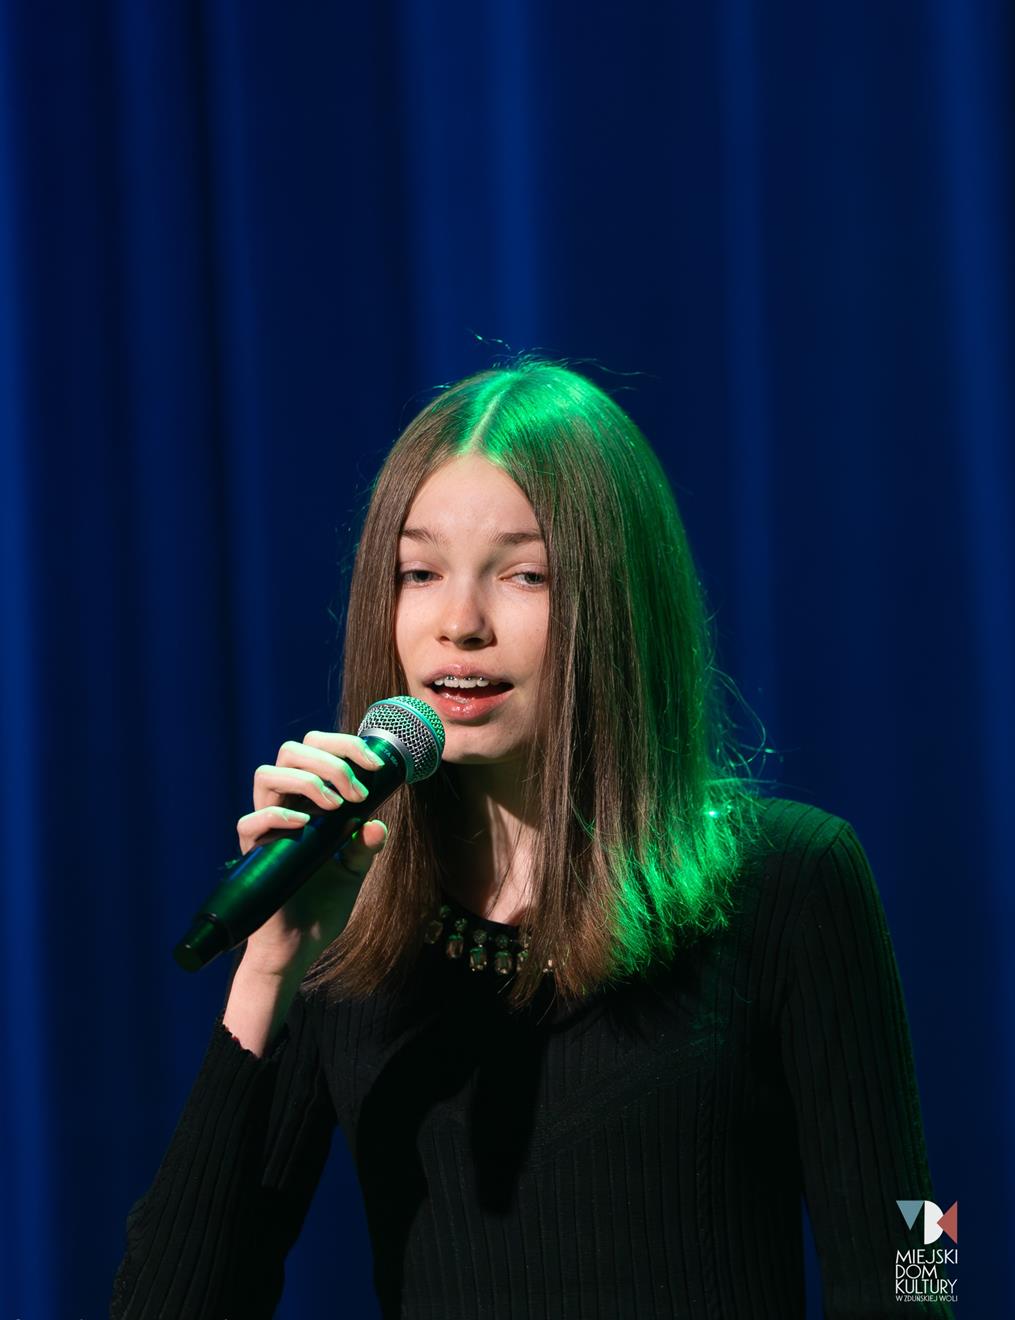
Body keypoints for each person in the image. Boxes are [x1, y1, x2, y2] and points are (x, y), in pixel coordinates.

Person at [111, 358, 953, 1318]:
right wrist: (270, 966)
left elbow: (915, 1253)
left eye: (524, 575)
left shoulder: (792, 877)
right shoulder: (343, 919)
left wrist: (929, 1271)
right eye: (419, 573)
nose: (459, 624)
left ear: (616, 602)